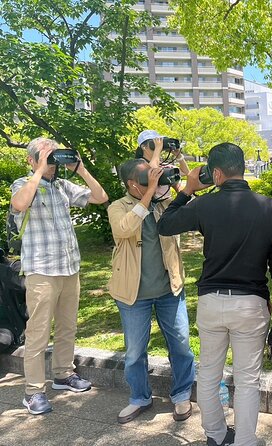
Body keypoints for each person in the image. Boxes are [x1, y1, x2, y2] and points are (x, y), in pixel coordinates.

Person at [157, 142, 272, 446]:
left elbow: (165, 225)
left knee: (208, 373)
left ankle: (216, 435)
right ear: (242, 168)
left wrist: (188, 189)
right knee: (246, 380)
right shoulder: (269, 206)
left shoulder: (204, 205)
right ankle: (245, 440)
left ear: (215, 173)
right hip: (251, 303)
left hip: (212, 300)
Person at [10, 137, 108, 415]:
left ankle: (63, 374)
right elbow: (19, 204)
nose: (52, 160)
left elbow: (100, 198)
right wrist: (39, 171)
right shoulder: (23, 183)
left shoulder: (63, 186)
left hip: (69, 268)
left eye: (54, 155)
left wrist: (81, 169)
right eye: (45, 155)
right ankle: (33, 391)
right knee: (38, 333)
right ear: (31, 160)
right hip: (41, 271)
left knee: (67, 326)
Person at [107, 158, 195, 424]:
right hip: (133, 294)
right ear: (132, 184)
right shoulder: (118, 207)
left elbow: (191, 211)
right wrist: (148, 195)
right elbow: (124, 229)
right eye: (147, 180)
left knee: (181, 346)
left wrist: (174, 182)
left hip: (170, 288)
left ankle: (181, 395)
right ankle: (140, 397)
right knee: (134, 352)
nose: (154, 184)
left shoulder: (164, 203)